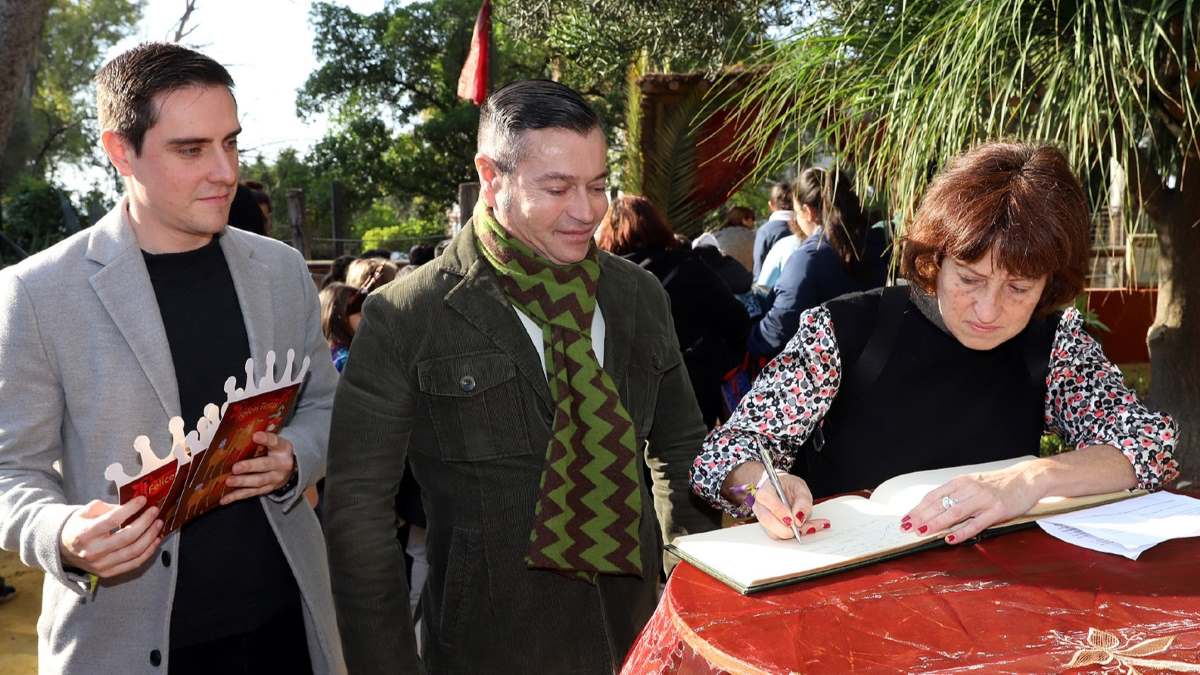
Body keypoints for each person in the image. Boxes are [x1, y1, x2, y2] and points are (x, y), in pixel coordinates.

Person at [325, 79, 715, 673]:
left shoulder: (636, 295)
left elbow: (680, 448)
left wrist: (695, 605)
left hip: (637, 635)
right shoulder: (410, 315)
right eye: (557, 188)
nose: (586, 212)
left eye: (598, 186)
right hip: (490, 646)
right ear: (491, 176)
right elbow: (357, 511)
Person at [0, 43, 344, 673]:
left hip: (285, 628)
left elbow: (324, 402)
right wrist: (63, 536)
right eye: (191, 149)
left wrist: (296, 457)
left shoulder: (280, 270)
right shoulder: (38, 292)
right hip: (124, 643)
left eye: (231, 143)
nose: (224, 170)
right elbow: (9, 471)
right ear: (119, 151)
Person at [692, 141, 1179, 547]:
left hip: (1003, 597)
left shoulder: (1055, 341)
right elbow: (724, 455)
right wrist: (760, 486)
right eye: (969, 279)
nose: (988, 311)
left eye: (1019, 288)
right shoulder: (843, 331)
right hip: (851, 583)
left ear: (1050, 284)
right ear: (934, 260)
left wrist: (1030, 479)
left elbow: (1149, 446)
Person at [597, 195, 751, 429]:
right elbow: (737, 321)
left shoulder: (599, 279)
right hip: (693, 395)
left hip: (625, 403)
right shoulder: (690, 267)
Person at [749, 167, 890, 359]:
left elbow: (776, 332)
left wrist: (750, 338)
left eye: (797, 212)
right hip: (885, 358)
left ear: (807, 212)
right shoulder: (881, 241)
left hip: (834, 375)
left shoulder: (806, 261)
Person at [692, 206, 756, 272]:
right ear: (744, 220)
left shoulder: (715, 235)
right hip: (743, 278)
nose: (754, 222)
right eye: (753, 219)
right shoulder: (752, 237)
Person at [751, 181, 795, 278]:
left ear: (770, 205)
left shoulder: (766, 231)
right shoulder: (805, 227)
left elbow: (759, 268)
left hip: (775, 288)